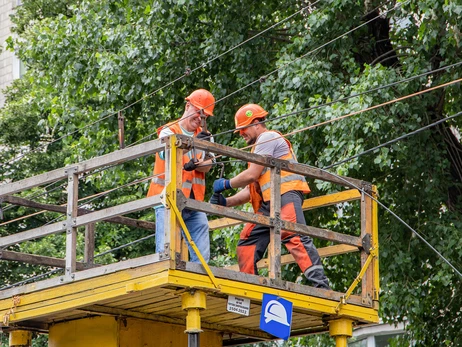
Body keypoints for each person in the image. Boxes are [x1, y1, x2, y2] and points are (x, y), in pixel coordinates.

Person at [210, 103, 330, 289]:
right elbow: (251, 189)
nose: (241, 134)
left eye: (243, 129)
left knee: (293, 235)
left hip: (286, 195)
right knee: (247, 240)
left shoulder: (268, 137)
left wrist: (226, 184)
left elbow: (250, 175)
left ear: (256, 123)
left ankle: (322, 287)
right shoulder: (258, 149)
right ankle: (251, 286)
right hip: (269, 204)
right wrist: (227, 201)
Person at [147, 89, 215, 263]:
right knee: (166, 248)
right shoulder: (168, 131)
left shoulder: (206, 137)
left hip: (193, 201)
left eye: (204, 116)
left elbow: (207, 167)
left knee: (201, 238)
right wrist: (192, 146)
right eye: (198, 113)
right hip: (167, 198)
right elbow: (165, 154)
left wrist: (200, 150)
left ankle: (199, 278)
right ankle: (163, 273)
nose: (200, 119)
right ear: (187, 106)